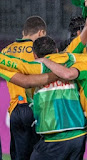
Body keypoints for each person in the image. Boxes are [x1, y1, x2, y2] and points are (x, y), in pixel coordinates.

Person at [1, 15, 46, 160]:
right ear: (40, 33)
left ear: (23, 32)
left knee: (18, 156)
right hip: (34, 109)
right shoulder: (38, 50)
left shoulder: (5, 51)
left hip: (14, 110)